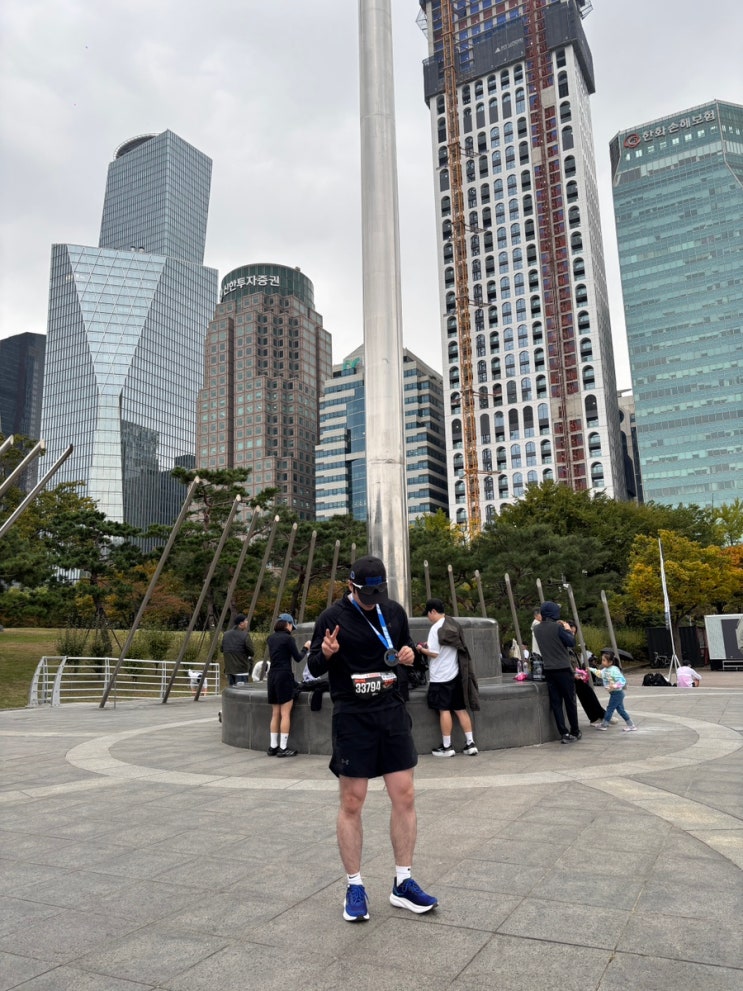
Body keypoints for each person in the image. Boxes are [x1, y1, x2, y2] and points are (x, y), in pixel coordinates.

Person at [307, 555, 438, 923]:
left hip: (392, 712)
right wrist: (326, 654)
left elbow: (405, 653)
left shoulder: (392, 611)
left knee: (405, 795)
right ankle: (354, 885)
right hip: (353, 716)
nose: (372, 599)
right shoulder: (332, 618)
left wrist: (411, 655)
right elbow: (313, 666)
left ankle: (403, 882)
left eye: (377, 592)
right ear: (350, 586)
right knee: (353, 800)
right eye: (366, 593)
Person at [418, 598, 479, 757]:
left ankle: (447, 747)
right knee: (460, 710)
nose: (428, 618)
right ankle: (470, 743)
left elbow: (434, 653)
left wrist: (421, 649)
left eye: (428, 614)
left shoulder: (435, 628)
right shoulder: (453, 625)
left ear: (433, 611)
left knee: (444, 710)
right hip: (456, 674)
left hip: (440, 678)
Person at [533, 601, 581, 744]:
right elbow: (571, 642)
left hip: (549, 669)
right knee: (570, 701)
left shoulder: (537, 630)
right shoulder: (558, 628)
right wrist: (567, 629)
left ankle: (563, 733)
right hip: (563, 669)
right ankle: (575, 730)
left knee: (556, 702)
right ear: (554, 613)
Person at [266, 614, 310, 757]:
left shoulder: (271, 639)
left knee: (275, 713)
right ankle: (283, 748)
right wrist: (305, 648)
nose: (292, 629)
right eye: (292, 626)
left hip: (272, 676)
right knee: (285, 714)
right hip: (284, 676)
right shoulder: (288, 638)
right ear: (288, 624)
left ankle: (273, 746)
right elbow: (298, 658)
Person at [567, 621, 606, 726]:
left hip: (574, 674)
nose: (572, 635)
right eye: (570, 632)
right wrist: (574, 673)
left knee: (586, 690)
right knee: (585, 690)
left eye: (574, 633)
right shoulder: (563, 644)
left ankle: (597, 716)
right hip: (568, 675)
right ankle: (601, 715)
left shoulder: (570, 645)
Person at [589, 650, 637, 731]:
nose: (602, 662)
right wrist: (590, 669)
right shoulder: (605, 669)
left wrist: (614, 686)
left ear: (610, 662)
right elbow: (599, 673)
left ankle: (604, 725)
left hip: (617, 693)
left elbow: (622, 681)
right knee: (621, 710)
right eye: (602, 660)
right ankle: (631, 725)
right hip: (615, 693)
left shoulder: (614, 670)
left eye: (604, 660)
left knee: (610, 709)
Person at [221, 614, 254, 686]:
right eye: (246, 620)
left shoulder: (226, 634)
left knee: (232, 693)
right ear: (241, 623)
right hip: (241, 669)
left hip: (229, 669)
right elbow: (251, 652)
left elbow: (222, 649)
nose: (247, 622)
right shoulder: (245, 635)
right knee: (242, 693)